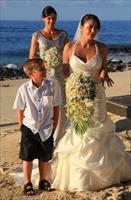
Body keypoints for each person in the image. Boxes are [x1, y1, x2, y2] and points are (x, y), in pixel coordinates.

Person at [49, 14, 131, 191]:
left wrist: (104, 73)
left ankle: (107, 174)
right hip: (77, 95)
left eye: (96, 28)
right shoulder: (69, 47)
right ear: (81, 27)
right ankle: (81, 177)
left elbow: (103, 67)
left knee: (100, 128)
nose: (93, 31)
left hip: (97, 95)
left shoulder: (102, 48)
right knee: (81, 129)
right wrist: (74, 86)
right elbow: (65, 72)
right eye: (90, 27)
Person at [13, 58, 61, 195]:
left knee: (44, 157)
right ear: (31, 74)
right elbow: (20, 109)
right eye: (41, 69)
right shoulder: (23, 89)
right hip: (29, 128)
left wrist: (54, 125)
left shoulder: (52, 86)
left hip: (46, 128)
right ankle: (27, 183)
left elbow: (56, 107)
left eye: (44, 68)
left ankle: (43, 180)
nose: (44, 71)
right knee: (27, 157)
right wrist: (22, 126)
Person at [29, 6, 69, 145]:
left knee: (61, 107)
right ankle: (46, 140)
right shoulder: (37, 36)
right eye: (48, 18)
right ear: (43, 19)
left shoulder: (63, 35)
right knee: (46, 108)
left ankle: (59, 140)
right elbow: (32, 58)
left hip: (59, 76)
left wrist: (67, 73)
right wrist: (41, 67)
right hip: (44, 77)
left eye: (54, 18)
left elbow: (67, 56)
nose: (51, 21)